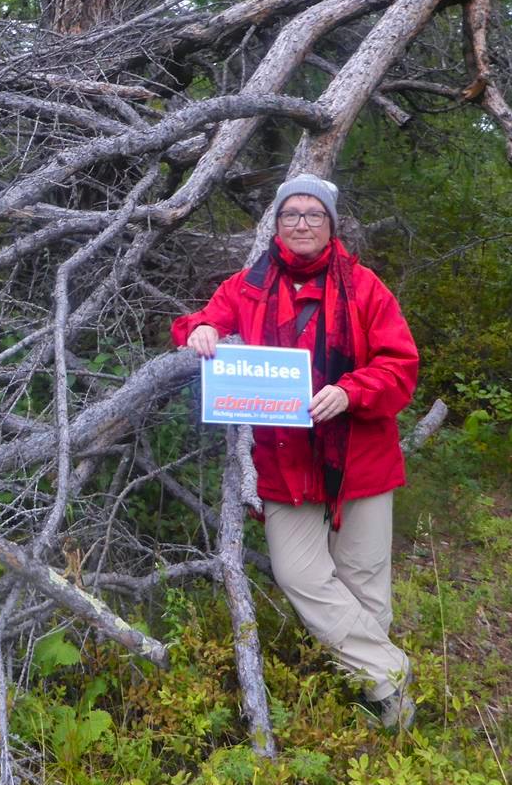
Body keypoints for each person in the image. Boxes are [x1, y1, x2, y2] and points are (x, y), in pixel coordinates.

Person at [172, 174, 420, 730]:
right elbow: (199, 321)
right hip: (285, 464)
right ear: (276, 224)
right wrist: (204, 330)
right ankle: (392, 671)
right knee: (301, 576)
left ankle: (384, 711)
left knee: (364, 583)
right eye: (292, 215)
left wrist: (352, 390)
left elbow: (400, 366)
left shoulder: (364, 287)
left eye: (314, 215)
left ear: (331, 225)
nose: (302, 224)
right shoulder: (248, 285)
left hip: (361, 461)